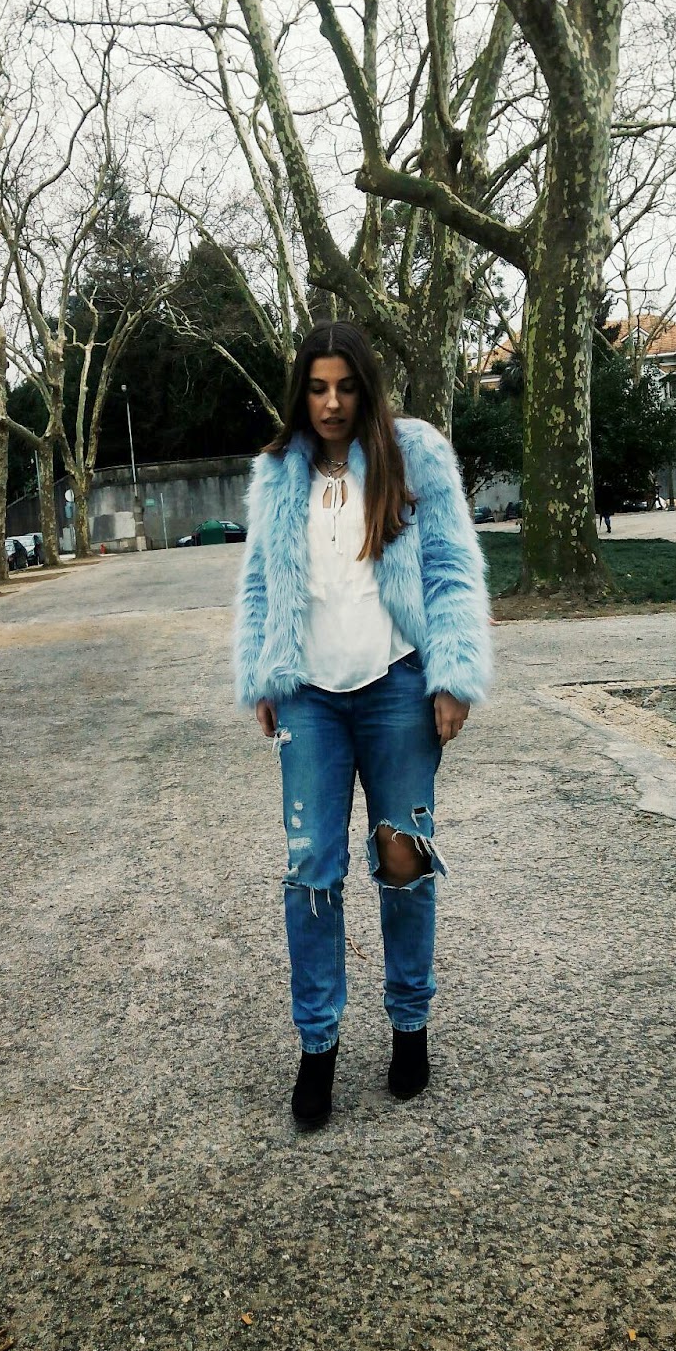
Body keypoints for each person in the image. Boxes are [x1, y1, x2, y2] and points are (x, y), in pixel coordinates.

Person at [234, 319, 492, 1129]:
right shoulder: (279, 471)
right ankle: (318, 1047)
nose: (332, 403)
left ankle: (410, 1025)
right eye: (317, 388)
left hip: (398, 687)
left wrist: (453, 675)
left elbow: (451, 567)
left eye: (346, 387)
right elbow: (259, 581)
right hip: (309, 697)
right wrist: (262, 673)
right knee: (311, 866)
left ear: (366, 388)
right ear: (300, 393)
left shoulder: (414, 455)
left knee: (403, 857)